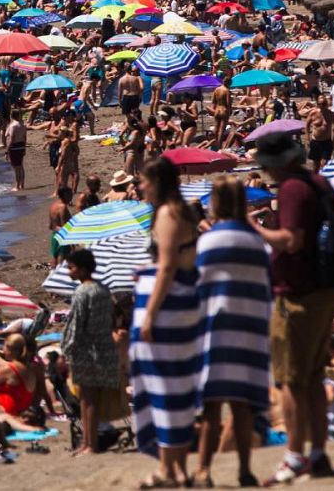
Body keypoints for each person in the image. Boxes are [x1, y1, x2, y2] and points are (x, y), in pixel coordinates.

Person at [251, 131, 334, 484]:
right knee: (314, 377)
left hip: (297, 292)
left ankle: (294, 456)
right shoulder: (319, 183)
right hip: (324, 289)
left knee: (289, 379)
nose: (267, 173)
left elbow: (290, 241)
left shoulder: (292, 189)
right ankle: (317, 454)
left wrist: (255, 227)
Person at [130, 156, 202, 489]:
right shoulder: (176, 211)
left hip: (168, 309)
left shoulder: (168, 213)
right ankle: (171, 469)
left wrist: (150, 314)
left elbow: (170, 267)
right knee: (169, 388)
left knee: (167, 388)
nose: (139, 186)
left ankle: (173, 469)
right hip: (171, 304)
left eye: (143, 181)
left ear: (157, 182)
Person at [193, 177, 270, 488]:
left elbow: (198, 286)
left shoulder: (210, 240)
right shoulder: (255, 240)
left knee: (211, 406)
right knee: (242, 405)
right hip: (249, 327)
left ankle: (202, 471)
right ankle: (245, 469)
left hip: (215, 328)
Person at [61, 247, 121, 457]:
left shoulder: (81, 292)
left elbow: (76, 326)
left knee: (87, 400)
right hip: (104, 349)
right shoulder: (103, 289)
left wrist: (66, 350)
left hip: (86, 351)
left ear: (83, 269)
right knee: (90, 399)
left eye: (72, 267)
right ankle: (88, 442)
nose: (69, 272)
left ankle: (90, 444)